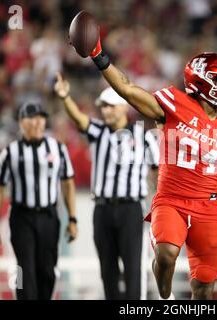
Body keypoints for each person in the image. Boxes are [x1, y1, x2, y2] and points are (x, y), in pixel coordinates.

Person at [71, 33, 217, 300]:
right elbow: (128, 89)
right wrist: (100, 56)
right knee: (167, 254)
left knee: (204, 288)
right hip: (172, 201)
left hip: (209, 209)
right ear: (200, 82)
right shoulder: (174, 105)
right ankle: (165, 298)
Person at [54, 77, 159, 300]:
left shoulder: (143, 137)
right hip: (102, 209)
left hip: (131, 209)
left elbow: (159, 171)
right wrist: (65, 98)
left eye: (110, 106)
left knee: (133, 269)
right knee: (107, 270)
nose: (106, 111)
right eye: (103, 107)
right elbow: (80, 120)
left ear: (123, 106)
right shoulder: (99, 131)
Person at [0, 101, 78, 300]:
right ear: (21, 122)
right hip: (22, 216)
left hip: (48, 216)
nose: (37, 123)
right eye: (32, 118)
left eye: (41, 118)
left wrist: (72, 219)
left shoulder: (57, 148)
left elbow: (68, 183)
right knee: (24, 267)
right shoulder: (10, 152)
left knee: (47, 270)